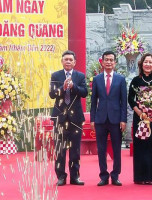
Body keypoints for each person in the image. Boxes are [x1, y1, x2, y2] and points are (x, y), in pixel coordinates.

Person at [49, 50, 88, 186]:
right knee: (59, 149)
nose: (68, 62)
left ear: (74, 62)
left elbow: (85, 93)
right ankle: (61, 177)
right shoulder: (55, 75)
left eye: (70, 60)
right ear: (62, 61)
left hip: (75, 118)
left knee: (75, 149)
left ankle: (75, 177)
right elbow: (52, 94)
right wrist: (63, 87)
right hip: (59, 118)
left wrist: (74, 87)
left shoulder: (80, 76)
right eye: (66, 59)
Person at [90, 51, 127, 186]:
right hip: (100, 119)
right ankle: (103, 176)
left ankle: (115, 175)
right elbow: (93, 101)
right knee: (101, 149)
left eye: (111, 60)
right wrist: (92, 119)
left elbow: (124, 101)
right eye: (106, 60)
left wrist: (124, 120)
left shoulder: (120, 79)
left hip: (116, 119)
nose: (109, 62)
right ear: (102, 62)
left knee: (117, 149)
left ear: (115, 62)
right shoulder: (97, 79)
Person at [128, 53, 152, 185]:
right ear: (141, 64)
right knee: (141, 146)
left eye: (150, 62)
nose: (148, 64)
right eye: (146, 62)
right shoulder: (135, 81)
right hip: (141, 119)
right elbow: (131, 99)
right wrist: (140, 113)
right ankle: (141, 177)